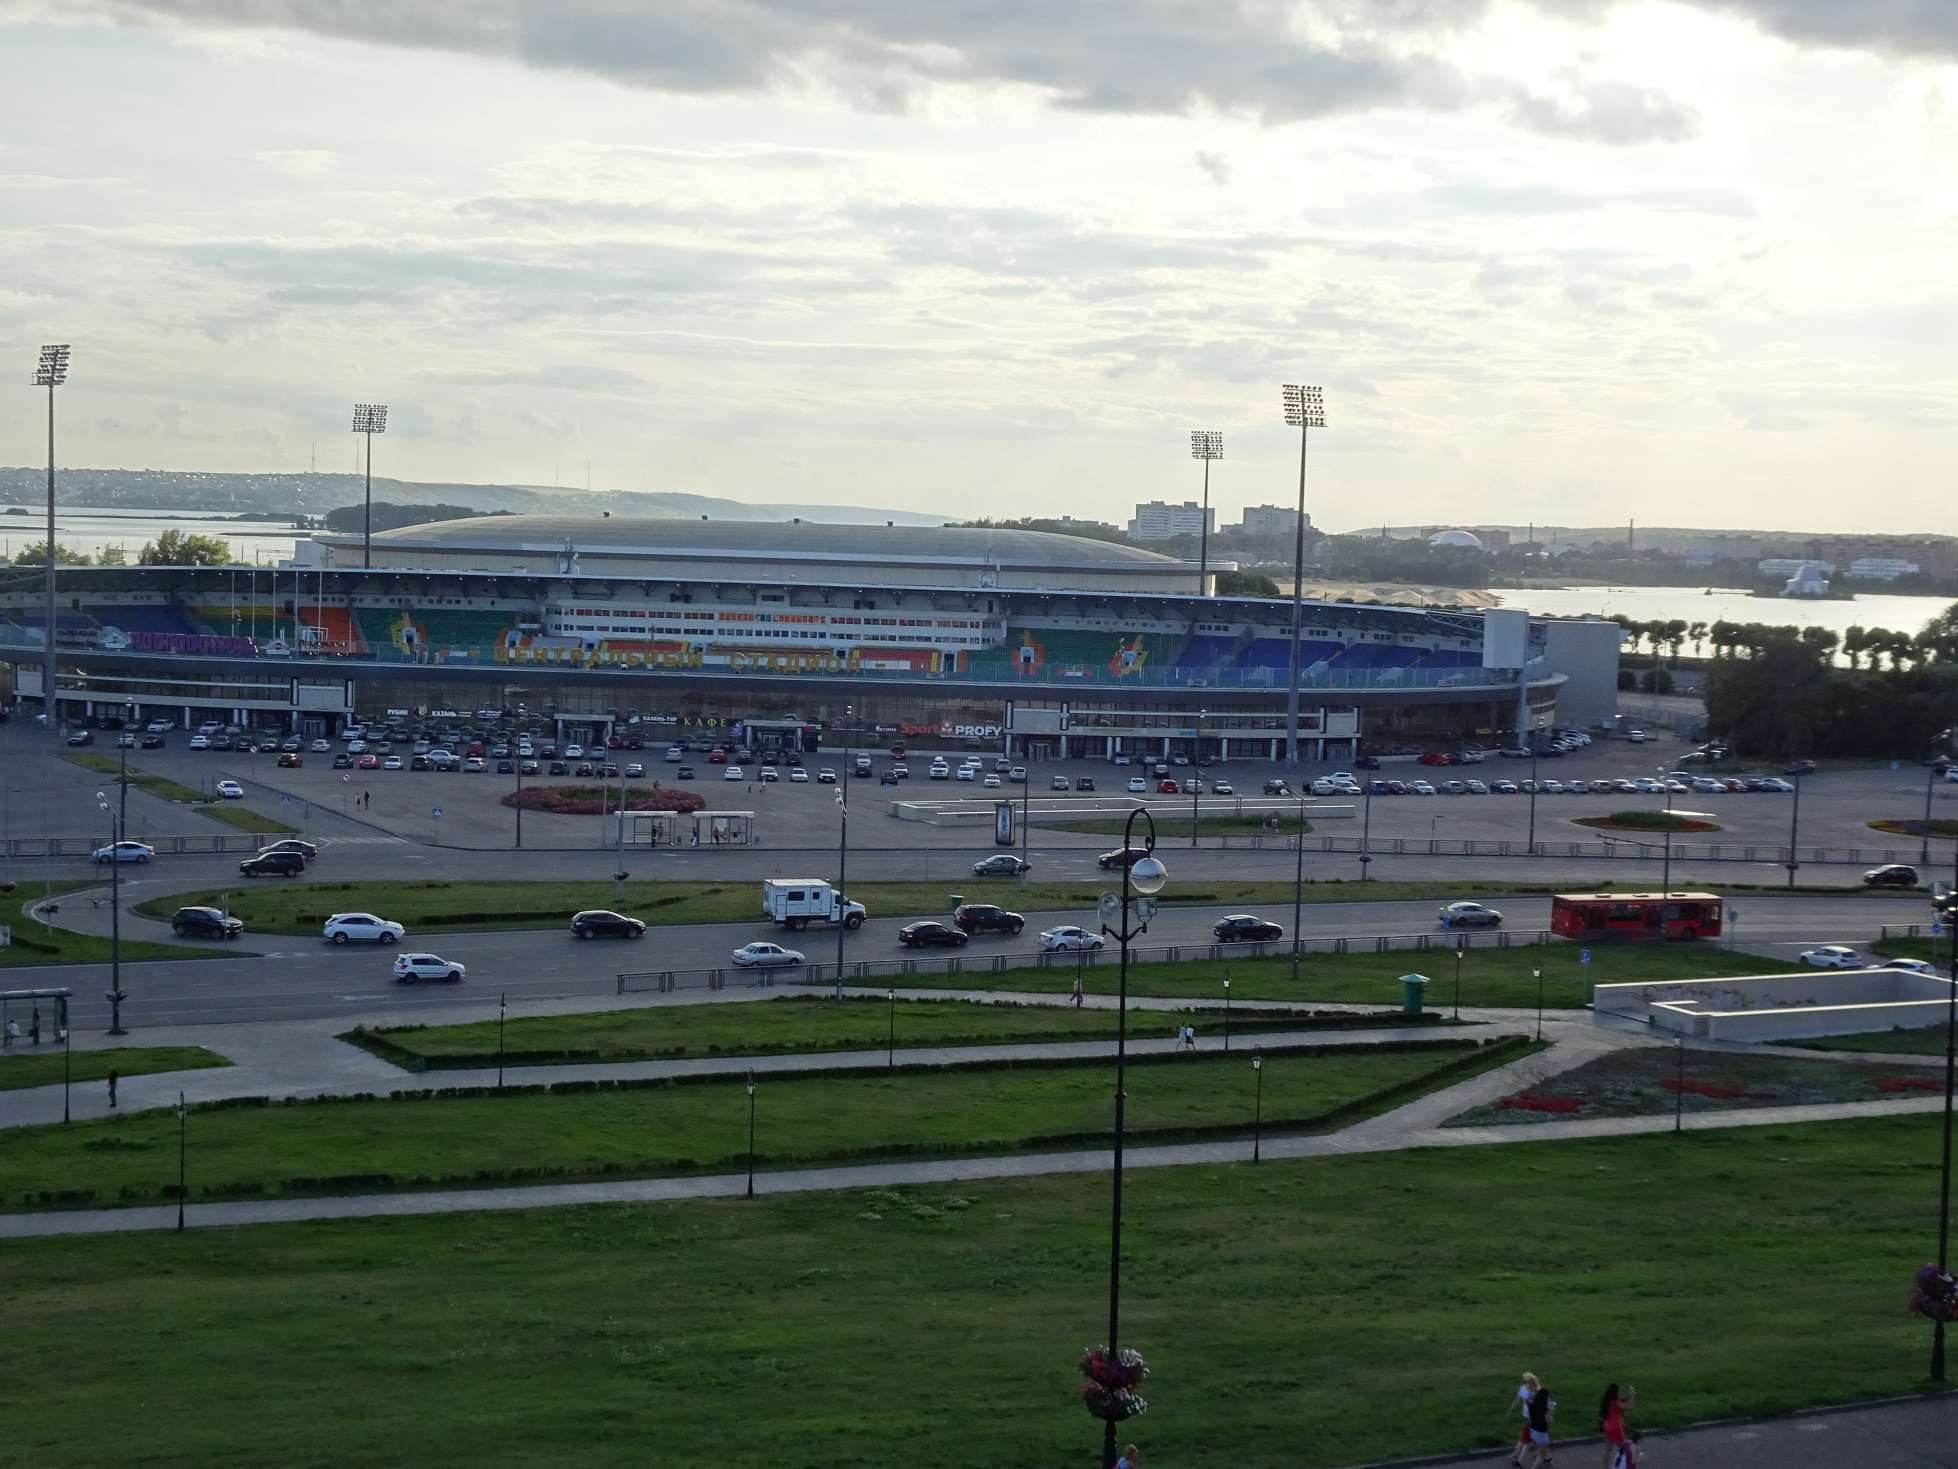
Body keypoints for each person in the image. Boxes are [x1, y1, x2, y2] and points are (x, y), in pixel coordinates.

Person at [1521, 1379, 1555, 1469]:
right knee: (1541, 1456)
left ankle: (1546, 1459)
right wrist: (1551, 1410)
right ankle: (1538, 1461)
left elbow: (1528, 1401)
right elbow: (1549, 1420)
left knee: (1541, 1449)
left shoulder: (1532, 1405)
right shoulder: (1544, 1409)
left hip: (1533, 1431)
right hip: (1541, 1432)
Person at [1599, 1383, 1635, 1467]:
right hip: (1616, 1428)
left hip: (1607, 1427)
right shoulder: (1616, 1403)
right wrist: (1632, 1395)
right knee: (1625, 1450)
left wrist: (1628, 1396)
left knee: (1607, 1451)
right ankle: (1625, 1466)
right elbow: (1628, 1407)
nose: (1619, 1392)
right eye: (1618, 1391)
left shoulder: (1607, 1400)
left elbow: (1621, 1399)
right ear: (1614, 1393)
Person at [1508, 1372, 1540, 1466]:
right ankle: (1542, 1454)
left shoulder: (1537, 1391)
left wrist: (1530, 1400)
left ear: (1532, 1381)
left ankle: (1519, 1458)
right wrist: (1511, 1409)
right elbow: (1518, 1398)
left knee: (1525, 1436)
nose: (1526, 1383)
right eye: (1525, 1381)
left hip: (1533, 1417)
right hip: (1526, 1415)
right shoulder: (1522, 1388)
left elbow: (1539, 1405)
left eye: (1528, 1381)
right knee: (1528, 1436)